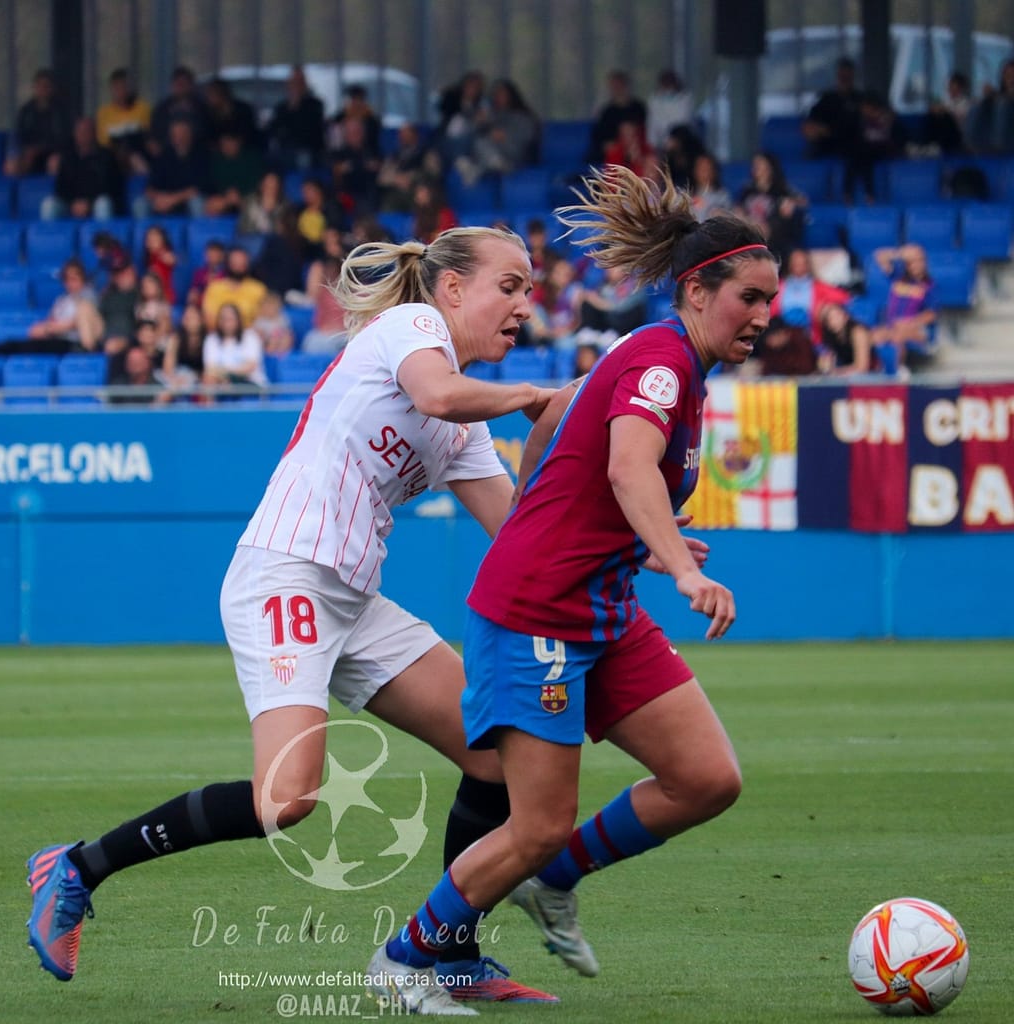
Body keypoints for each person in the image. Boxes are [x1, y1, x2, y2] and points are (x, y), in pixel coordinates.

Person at [26, 225, 563, 1008]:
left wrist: (640, 540)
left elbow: (522, 537)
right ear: (451, 290)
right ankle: (77, 868)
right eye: (509, 286)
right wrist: (541, 396)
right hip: (286, 575)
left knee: (493, 753)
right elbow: (436, 392)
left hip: (350, 597)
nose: (525, 305)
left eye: (530, 289)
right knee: (289, 801)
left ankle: (451, 952)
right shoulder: (412, 329)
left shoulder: (467, 427)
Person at [367, 163, 775, 1014]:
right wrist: (686, 568)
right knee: (538, 819)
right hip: (538, 613)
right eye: (748, 297)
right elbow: (630, 469)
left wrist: (645, 549)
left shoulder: (671, 367)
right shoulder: (661, 364)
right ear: (697, 291)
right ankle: (406, 959)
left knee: (706, 778)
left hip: (601, 605)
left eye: (770, 299)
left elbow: (572, 444)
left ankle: (553, 877)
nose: (763, 317)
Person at [869, 244, 938, 376]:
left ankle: (897, 373)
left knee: (898, 335)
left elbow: (931, 314)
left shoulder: (930, 286)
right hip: (893, 326)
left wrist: (909, 322)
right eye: (912, 261)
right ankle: (876, 371)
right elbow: (879, 256)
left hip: (919, 330)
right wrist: (900, 254)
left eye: (919, 261)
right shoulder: (898, 277)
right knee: (874, 335)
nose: (916, 265)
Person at [41, 117, 123, 221]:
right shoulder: (68, 157)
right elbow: (60, 188)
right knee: (49, 205)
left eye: (86, 131)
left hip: (96, 203)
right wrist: (72, 204)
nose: (82, 135)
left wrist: (89, 203)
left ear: (94, 133)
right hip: (71, 205)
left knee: (103, 203)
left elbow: (112, 188)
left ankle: (103, 236)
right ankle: (50, 237)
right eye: (79, 131)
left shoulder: (106, 156)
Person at [5, 68, 70, 176]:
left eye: (46, 86)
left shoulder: (61, 111)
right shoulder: (26, 111)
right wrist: (20, 153)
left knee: (55, 163)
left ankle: (51, 191)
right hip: (29, 154)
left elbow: (63, 139)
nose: (42, 89)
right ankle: (22, 192)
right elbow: (19, 135)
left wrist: (39, 149)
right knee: (12, 165)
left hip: (52, 152)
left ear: (52, 88)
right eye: (39, 86)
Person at [803, 57, 864, 160]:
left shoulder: (861, 99)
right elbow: (811, 124)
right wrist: (817, 129)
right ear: (837, 76)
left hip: (852, 145)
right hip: (826, 144)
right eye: (842, 76)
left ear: (853, 76)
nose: (844, 79)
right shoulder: (826, 99)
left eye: (847, 76)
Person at [267, 65, 325, 171]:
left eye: (299, 81)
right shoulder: (281, 107)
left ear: (304, 84)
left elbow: (310, 130)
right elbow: (275, 129)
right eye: (293, 81)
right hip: (285, 149)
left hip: (307, 149)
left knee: (303, 158)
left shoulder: (315, 105)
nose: (296, 85)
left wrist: (296, 105)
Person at [201, 301, 268, 392]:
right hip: (221, 382)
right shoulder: (211, 339)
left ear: (238, 320)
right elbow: (210, 368)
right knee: (209, 379)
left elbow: (250, 366)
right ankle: (210, 406)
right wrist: (224, 377)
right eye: (223, 319)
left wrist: (226, 373)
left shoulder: (250, 336)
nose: (226, 323)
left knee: (226, 383)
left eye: (230, 319)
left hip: (250, 381)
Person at [95, 67, 152, 175]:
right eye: (116, 88)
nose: (120, 92)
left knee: (136, 159)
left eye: (123, 87)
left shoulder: (143, 109)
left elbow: (146, 137)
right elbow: (103, 143)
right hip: (112, 156)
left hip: (138, 153)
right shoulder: (104, 113)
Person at [201, 245, 268, 330]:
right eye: (235, 263)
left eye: (242, 263)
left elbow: (264, 319)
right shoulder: (214, 288)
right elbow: (209, 319)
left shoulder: (258, 289)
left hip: (249, 336)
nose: (238, 267)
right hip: (219, 335)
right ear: (228, 263)